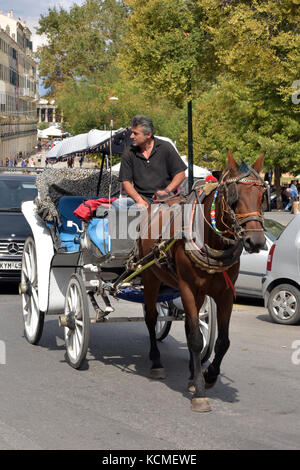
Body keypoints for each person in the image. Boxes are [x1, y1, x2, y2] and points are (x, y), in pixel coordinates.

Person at [113, 115, 187, 209]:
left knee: (179, 210)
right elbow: (126, 182)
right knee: (118, 204)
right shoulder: (129, 152)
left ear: (148, 134)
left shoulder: (166, 147)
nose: (131, 136)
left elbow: (181, 174)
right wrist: (139, 200)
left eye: (135, 133)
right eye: (132, 133)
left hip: (166, 199)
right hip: (141, 198)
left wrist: (166, 191)